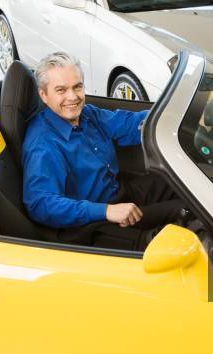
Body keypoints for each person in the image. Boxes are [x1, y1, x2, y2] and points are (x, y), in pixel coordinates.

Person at [22, 52, 187, 250]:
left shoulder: (88, 115)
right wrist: (106, 211)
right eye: (61, 90)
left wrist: (175, 116)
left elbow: (129, 124)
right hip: (92, 223)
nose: (72, 97)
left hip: (117, 192)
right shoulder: (43, 144)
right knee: (185, 213)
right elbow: (41, 204)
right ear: (44, 95)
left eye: (77, 87)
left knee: (186, 184)